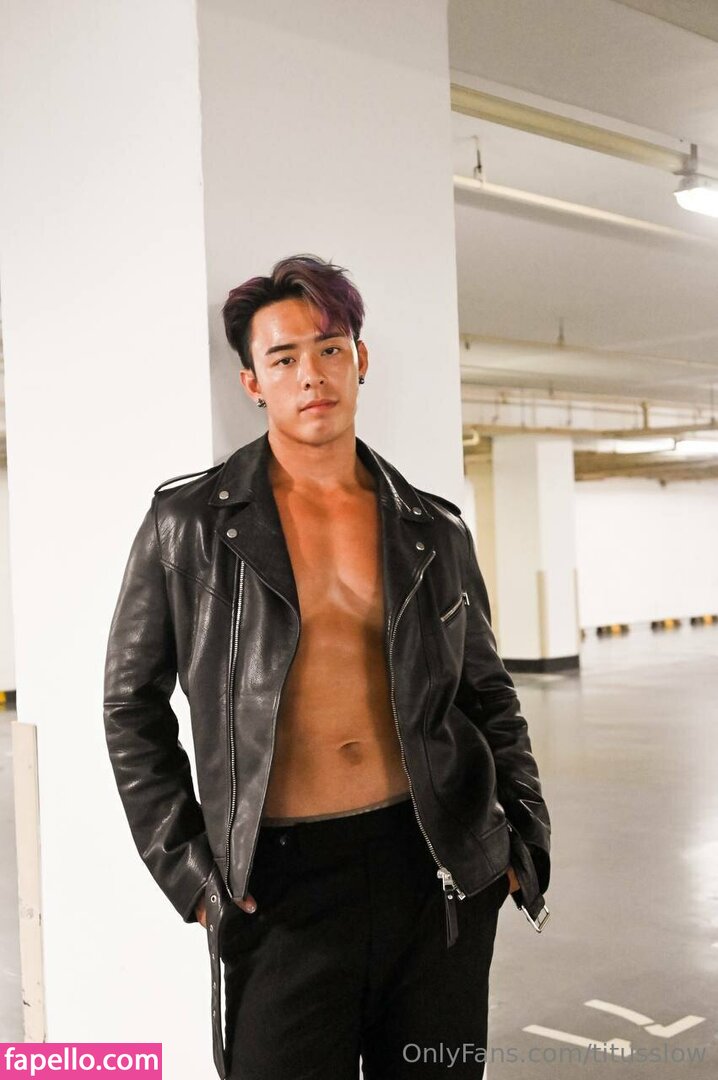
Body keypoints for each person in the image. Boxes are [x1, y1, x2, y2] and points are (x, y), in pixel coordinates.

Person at [103, 254, 551, 1080]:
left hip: (435, 868)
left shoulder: (431, 528)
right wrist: (191, 875)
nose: (311, 375)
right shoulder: (189, 526)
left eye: (330, 348)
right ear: (253, 383)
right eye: (283, 359)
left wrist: (524, 836)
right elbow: (130, 706)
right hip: (279, 883)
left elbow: (486, 692)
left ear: (360, 360)